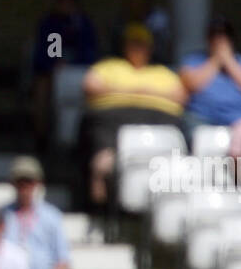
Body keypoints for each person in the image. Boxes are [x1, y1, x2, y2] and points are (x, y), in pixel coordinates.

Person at [80, 23, 186, 212]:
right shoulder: (108, 66)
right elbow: (90, 86)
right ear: (124, 46)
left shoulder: (163, 72)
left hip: (158, 119)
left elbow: (180, 96)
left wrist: (124, 90)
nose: (138, 48)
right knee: (98, 132)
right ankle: (101, 172)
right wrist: (145, 92)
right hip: (112, 117)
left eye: (142, 44)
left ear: (150, 48)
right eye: (133, 44)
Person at [30, 0, 100, 149]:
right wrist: (57, 63)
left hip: (82, 73)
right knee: (43, 88)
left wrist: (74, 62)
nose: (66, 4)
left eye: (70, 0)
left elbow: (90, 53)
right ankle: (42, 140)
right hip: (54, 74)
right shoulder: (50, 24)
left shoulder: (83, 23)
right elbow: (48, 54)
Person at [178, 16, 241, 128]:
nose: (219, 39)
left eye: (224, 35)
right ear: (208, 38)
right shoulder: (193, 60)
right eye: (215, 35)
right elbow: (191, 85)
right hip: (202, 119)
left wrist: (229, 61)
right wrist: (215, 60)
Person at [2, 155, 71, 269]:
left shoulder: (52, 216)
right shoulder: (2, 215)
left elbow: (63, 261)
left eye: (29, 181)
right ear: (13, 183)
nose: (24, 186)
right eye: (20, 182)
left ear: (37, 183)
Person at [109, 0, 172, 65]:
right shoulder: (118, 22)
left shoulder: (159, 22)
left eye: (137, 1)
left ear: (147, 1)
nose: (133, 6)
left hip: (154, 69)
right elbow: (114, 54)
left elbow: (163, 54)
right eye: (129, 1)